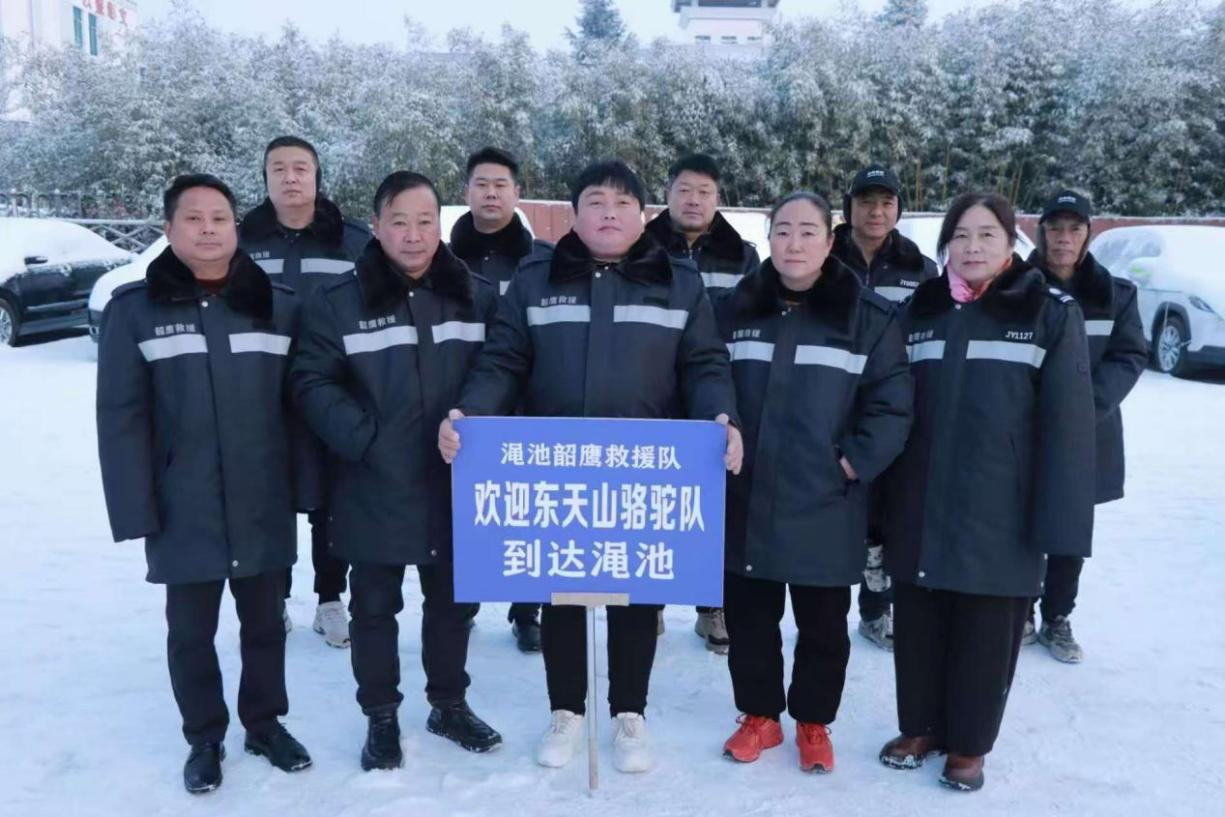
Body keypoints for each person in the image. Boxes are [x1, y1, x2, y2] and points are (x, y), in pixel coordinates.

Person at [438, 160, 743, 775]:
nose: (609, 213)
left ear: (643, 215)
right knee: (564, 593)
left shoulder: (678, 283)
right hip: (561, 471)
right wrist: (470, 413)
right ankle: (566, 710)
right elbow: (504, 361)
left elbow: (704, 364)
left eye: (623, 203)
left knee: (637, 598)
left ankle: (630, 711)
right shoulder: (537, 279)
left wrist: (721, 416)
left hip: (644, 470)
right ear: (573, 215)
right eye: (596, 202)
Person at [97, 174, 314, 794]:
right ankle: (204, 737)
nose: (208, 229)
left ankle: (264, 724)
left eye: (220, 218)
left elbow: (299, 409)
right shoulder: (135, 311)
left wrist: (307, 491)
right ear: (169, 229)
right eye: (193, 219)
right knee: (191, 631)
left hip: (262, 497)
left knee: (265, 623)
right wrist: (136, 509)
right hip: (181, 503)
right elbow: (120, 418)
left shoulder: (278, 305)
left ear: (236, 227)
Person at [878, 192, 1096, 792]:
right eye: (961, 236)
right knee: (920, 618)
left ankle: (969, 745)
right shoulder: (919, 310)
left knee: (985, 629)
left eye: (987, 235)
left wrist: (1058, 526)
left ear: (1009, 245)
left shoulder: (1049, 312)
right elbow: (888, 402)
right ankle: (920, 727)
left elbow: (1069, 428)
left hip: (1003, 504)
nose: (972, 248)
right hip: (922, 493)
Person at [290, 171, 503, 771]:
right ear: (377, 226)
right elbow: (311, 380)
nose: (413, 235)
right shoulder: (339, 300)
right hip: (372, 481)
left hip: (454, 479)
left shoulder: (478, 296)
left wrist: (476, 425)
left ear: (441, 225)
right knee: (374, 609)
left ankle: (449, 703)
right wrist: (364, 439)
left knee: (453, 604)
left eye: (425, 222)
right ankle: (380, 715)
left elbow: (501, 368)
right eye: (399, 222)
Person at [715, 192, 912, 773]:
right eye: (783, 231)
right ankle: (759, 716)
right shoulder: (733, 309)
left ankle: (813, 721)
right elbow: (704, 378)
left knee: (823, 625)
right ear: (768, 238)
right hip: (746, 493)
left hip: (826, 497)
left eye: (808, 232)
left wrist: (850, 463)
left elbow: (892, 407)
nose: (794, 244)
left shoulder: (868, 318)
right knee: (750, 618)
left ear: (830, 241)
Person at [238, 135, 370, 648]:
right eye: (278, 169)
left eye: (301, 168)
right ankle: (274, 597)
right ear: (265, 178)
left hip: (333, 390)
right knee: (268, 498)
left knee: (329, 501)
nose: (290, 177)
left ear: (317, 176)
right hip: (259, 393)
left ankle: (330, 599)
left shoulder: (352, 241)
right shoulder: (241, 241)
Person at [643, 152, 760, 653]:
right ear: (667, 193)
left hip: (715, 389)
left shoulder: (743, 256)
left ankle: (712, 607)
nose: (694, 200)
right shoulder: (639, 247)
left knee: (712, 505)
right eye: (685, 190)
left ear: (718, 199)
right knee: (650, 505)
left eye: (705, 192)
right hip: (652, 389)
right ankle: (647, 603)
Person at [1025, 189, 1148, 662]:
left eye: (1074, 229)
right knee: (1021, 518)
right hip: (1027, 428)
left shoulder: (1115, 294)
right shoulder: (1016, 287)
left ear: (1087, 234)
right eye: (1055, 228)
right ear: (1041, 233)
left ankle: (1057, 616)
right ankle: (1021, 609)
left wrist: (1084, 406)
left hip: (1087, 432)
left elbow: (1129, 354)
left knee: (1069, 528)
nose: (1063, 238)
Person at [830, 164, 939, 652]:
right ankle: (826, 612)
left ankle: (876, 610)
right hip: (833, 402)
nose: (876, 211)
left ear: (899, 210)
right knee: (838, 512)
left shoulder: (921, 270)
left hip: (893, 404)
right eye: (866, 201)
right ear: (848, 207)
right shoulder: (823, 258)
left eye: (886, 202)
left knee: (887, 515)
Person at [449, 146, 553, 652]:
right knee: (469, 506)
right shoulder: (443, 258)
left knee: (532, 510)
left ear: (517, 192)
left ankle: (527, 610)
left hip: (529, 399)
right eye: (481, 184)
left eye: (501, 185)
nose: (491, 193)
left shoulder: (542, 260)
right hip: (465, 396)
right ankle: (462, 605)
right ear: (466, 190)